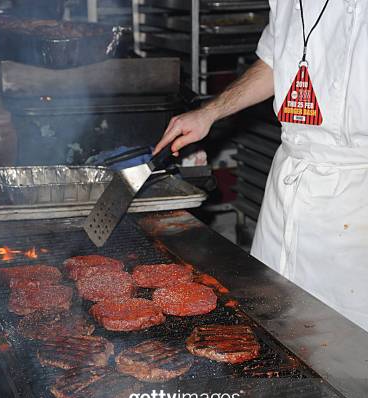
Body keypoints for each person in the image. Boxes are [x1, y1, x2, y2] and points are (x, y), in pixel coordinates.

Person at [154, 0, 368, 333]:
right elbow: (274, 62)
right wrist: (209, 112)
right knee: (272, 322)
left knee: (347, 346)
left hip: (356, 198)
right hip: (289, 182)